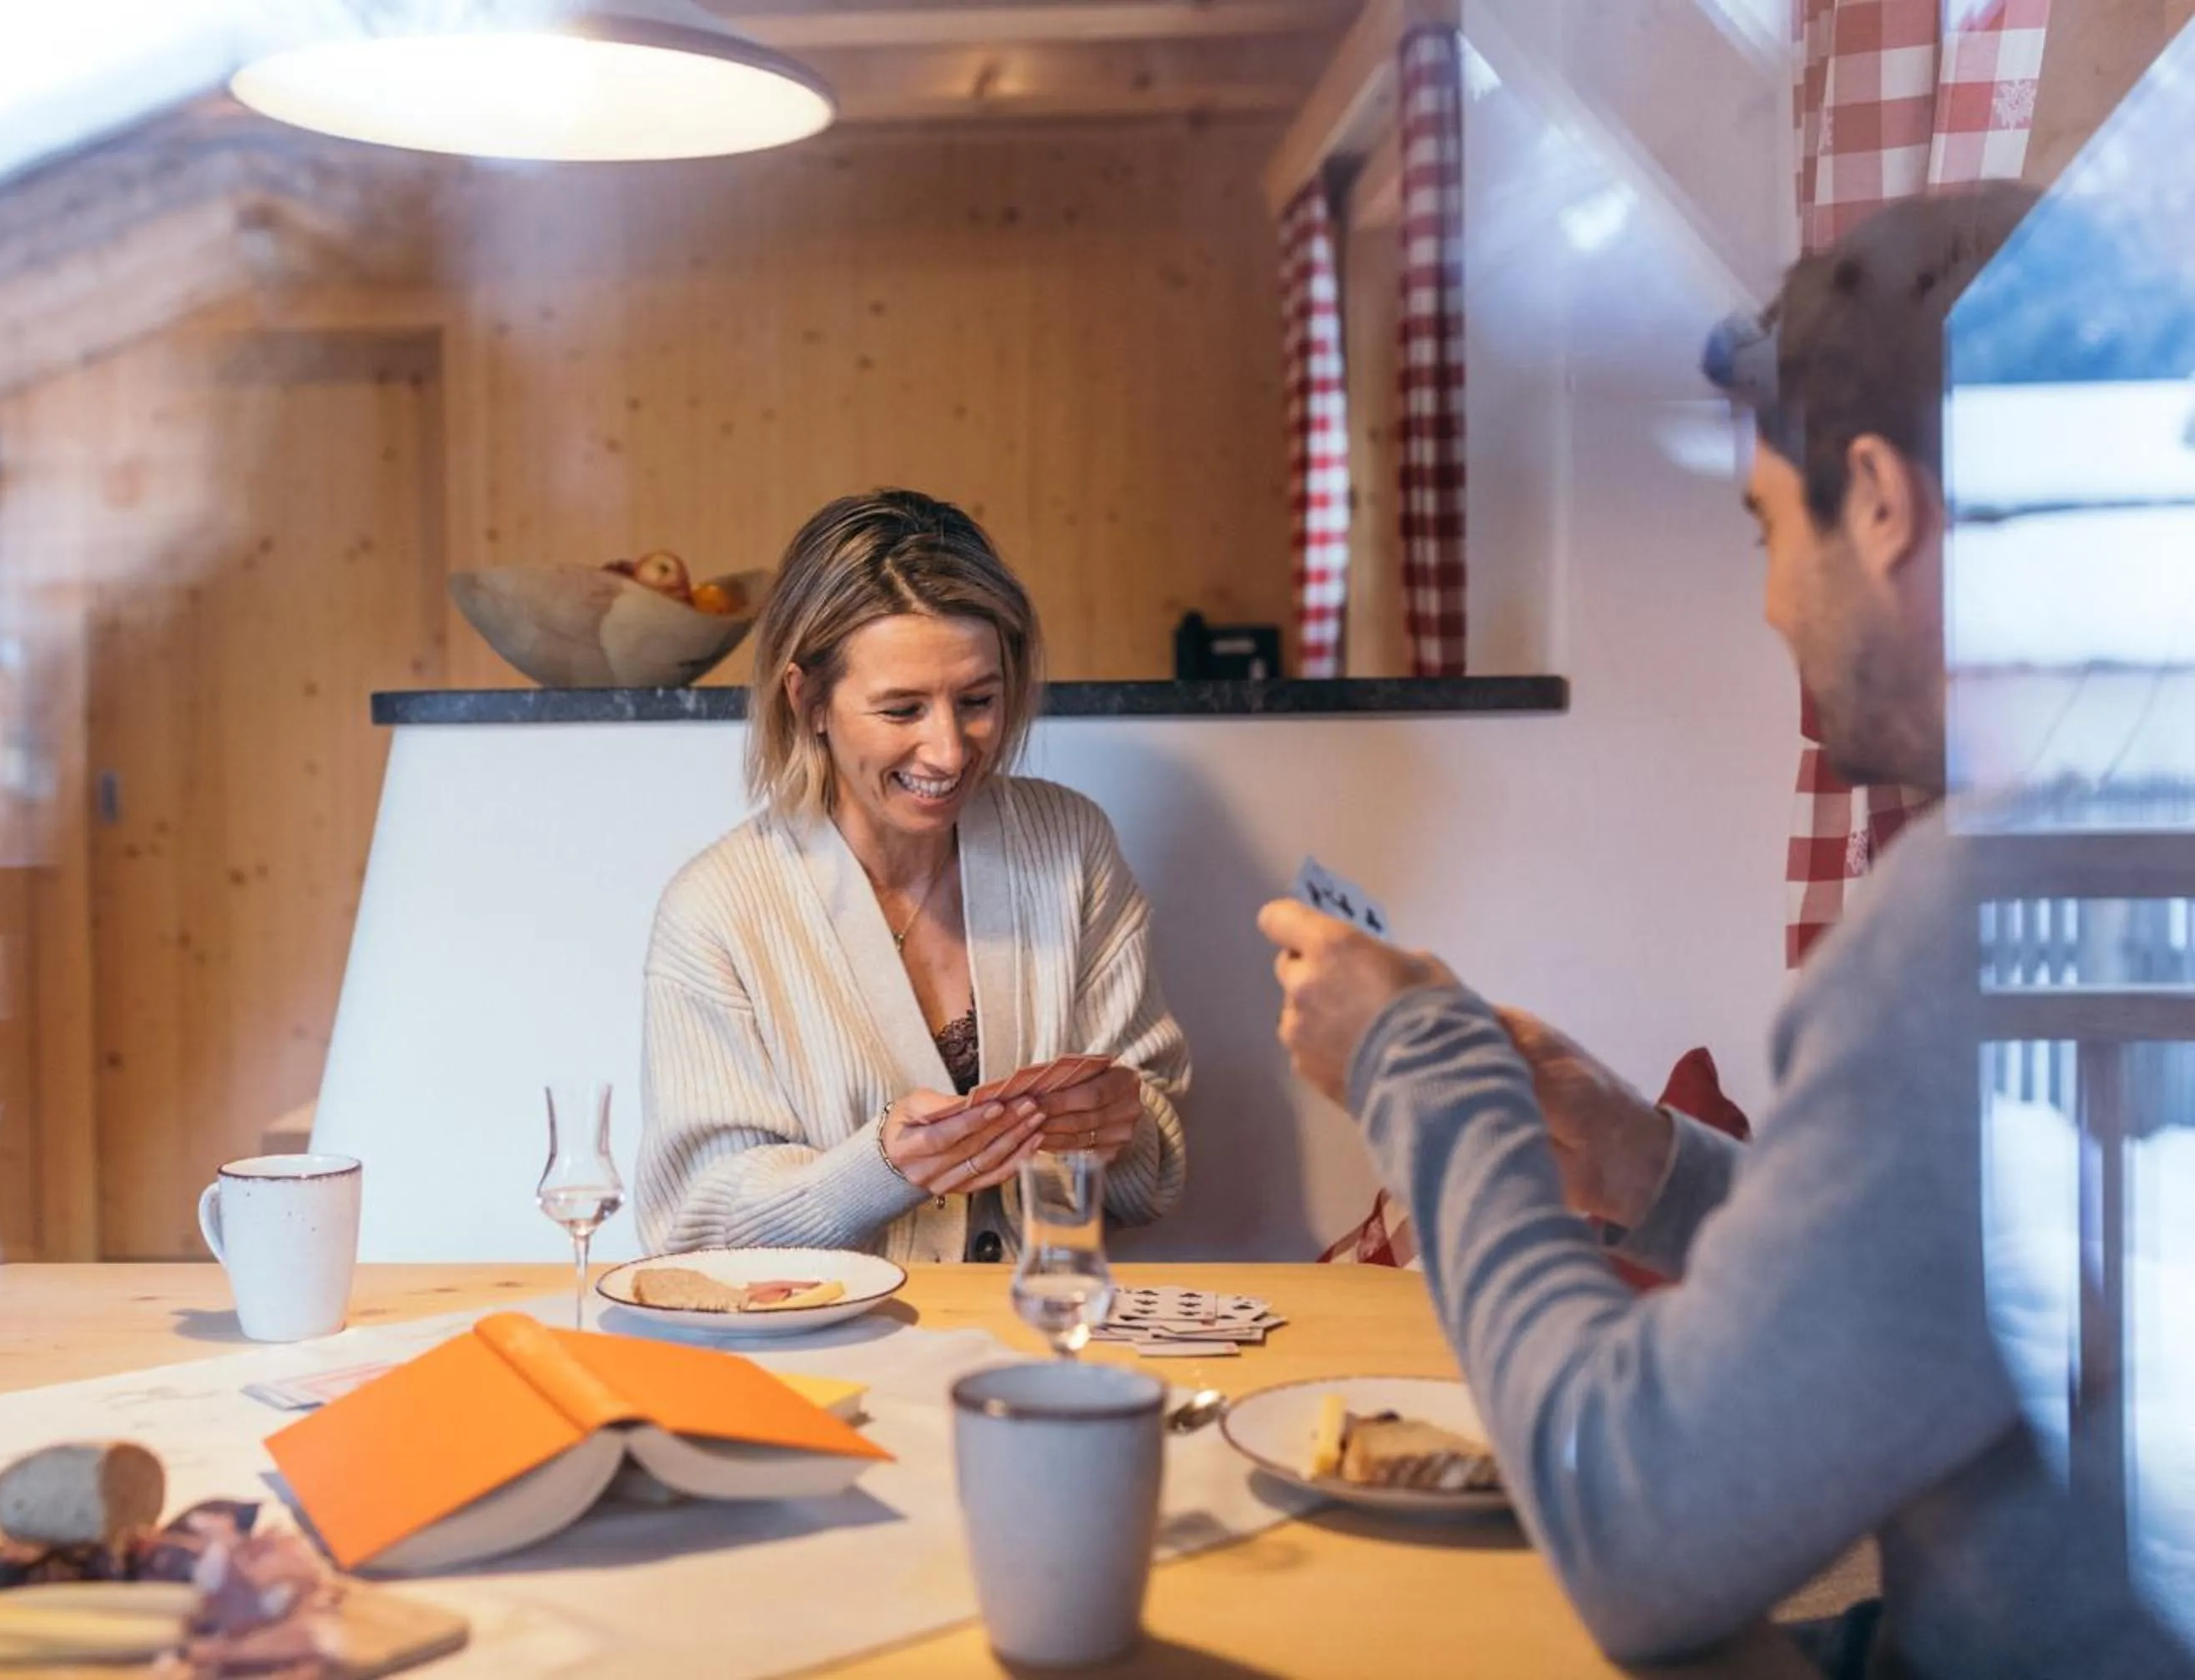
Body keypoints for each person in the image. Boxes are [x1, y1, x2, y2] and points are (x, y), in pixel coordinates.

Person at [1262, 183, 2193, 1678]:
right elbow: (1963, 1289)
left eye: (1768, 528)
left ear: (1882, 505)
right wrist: (1655, 1166)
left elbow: (1637, 1531)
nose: (1768, 605)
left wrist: (1421, 1066)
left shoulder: (1994, 908)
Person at [636, 489, 1188, 1263]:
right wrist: (881, 1170)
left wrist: (1116, 1129)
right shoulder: (718, 912)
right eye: (902, 711)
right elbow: (692, 1227)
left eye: (978, 701)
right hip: (824, 1360)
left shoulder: (1071, 848)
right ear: (809, 703)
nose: (951, 751)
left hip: (1038, 1345)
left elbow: (1151, 1181)